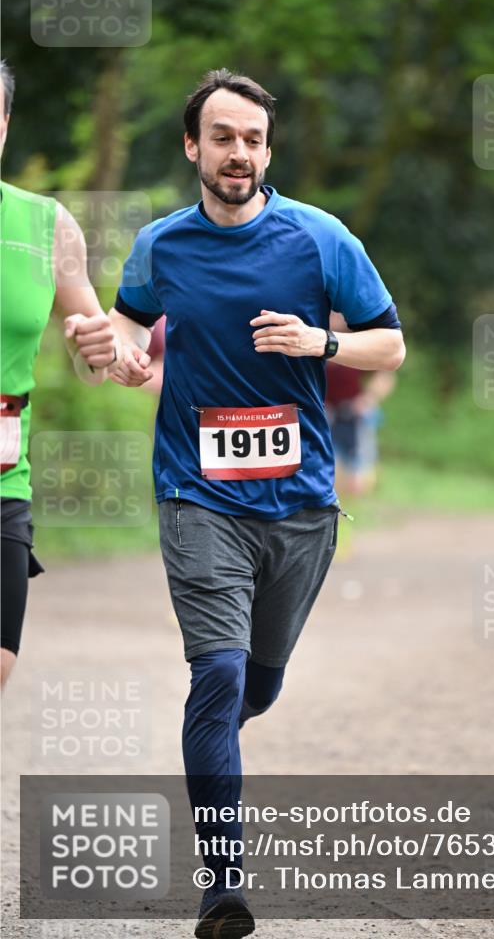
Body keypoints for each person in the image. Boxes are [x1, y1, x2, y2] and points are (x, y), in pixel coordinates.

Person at [108, 68, 405, 939]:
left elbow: (389, 344)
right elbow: (130, 322)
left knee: (258, 688)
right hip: (197, 495)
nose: (239, 153)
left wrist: (323, 340)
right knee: (221, 673)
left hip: (302, 505)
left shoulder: (319, 239)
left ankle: (210, 746)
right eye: (223, 137)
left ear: (266, 149)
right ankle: (223, 883)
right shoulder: (161, 245)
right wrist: (124, 354)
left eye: (253, 139)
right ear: (193, 146)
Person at [0, 60, 118, 688]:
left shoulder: (47, 226)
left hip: (4, 477)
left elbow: (95, 359)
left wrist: (94, 350)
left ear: (5, 123)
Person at [325, 312, 396, 496]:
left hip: (353, 413)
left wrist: (368, 399)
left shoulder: (358, 341)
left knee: (359, 466)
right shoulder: (310, 338)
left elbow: (386, 373)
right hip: (326, 413)